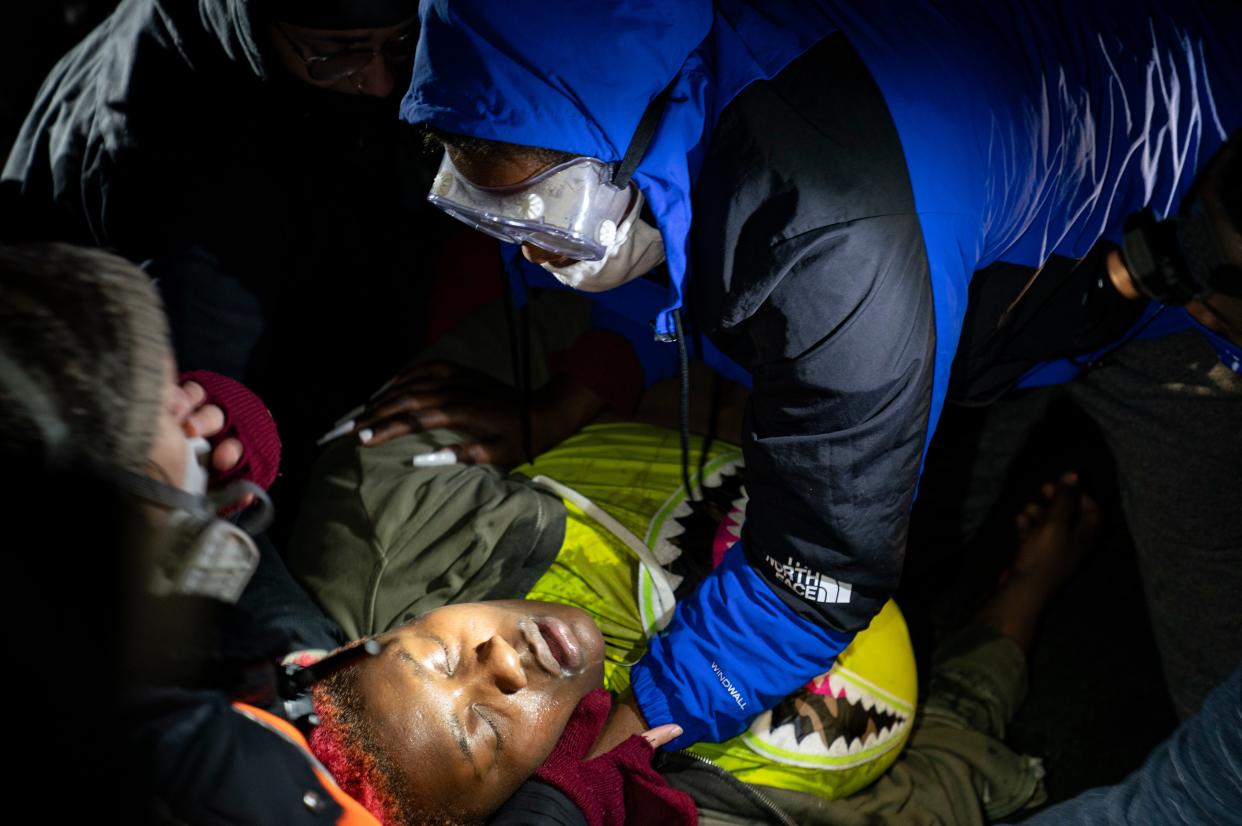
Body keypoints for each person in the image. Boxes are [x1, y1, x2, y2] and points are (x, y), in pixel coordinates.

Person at [387, 0, 1242, 753]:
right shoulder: (661, 72)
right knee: (935, 501)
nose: (536, 253)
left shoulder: (828, 228)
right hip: (1002, 242)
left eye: (550, 221)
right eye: (498, 219)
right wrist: (583, 389)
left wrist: (642, 725)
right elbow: (680, 261)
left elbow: (824, 566)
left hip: (1178, 228)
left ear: (631, 136)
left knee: (1214, 641)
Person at [288, 413, 1100, 824]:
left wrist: (575, 387)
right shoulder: (680, 811)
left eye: (440, 658)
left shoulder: (391, 530)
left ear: (382, 634)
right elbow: (934, 794)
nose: (500, 664)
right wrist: (1022, 602)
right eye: (487, 732)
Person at [0, 0, 449, 519]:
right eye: (337, 52)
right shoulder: (176, 141)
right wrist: (229, 421)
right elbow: (196, 391)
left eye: (398, 44)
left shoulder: (314, 74)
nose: (379, 83)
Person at [0, 241, 369, 823]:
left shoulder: (109, 647)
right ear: (105, 499)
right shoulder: (189, 766)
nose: (188, 407)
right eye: (163, 408)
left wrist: (222, 459)